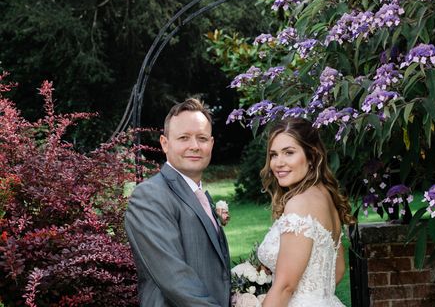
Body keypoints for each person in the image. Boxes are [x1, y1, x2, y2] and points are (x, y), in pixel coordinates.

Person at [125, 98, 231, 307]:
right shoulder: (149, 196)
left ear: (211, 144)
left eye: (202, 138)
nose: (194, 146)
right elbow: (175, 279)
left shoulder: (200, 196)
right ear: (165, 143)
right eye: (184, 138)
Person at [257, 118, 354, 307]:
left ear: (312, 156)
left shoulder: (299, 204)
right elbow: (339, 269)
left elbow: (285, 287)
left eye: (289, 153)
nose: (278, 163)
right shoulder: (325, 196)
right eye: (274, 155)